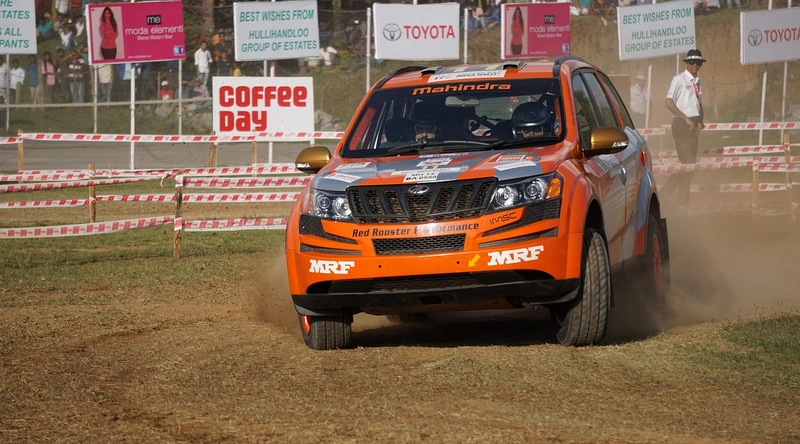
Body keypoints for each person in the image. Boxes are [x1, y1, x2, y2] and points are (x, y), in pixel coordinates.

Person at [663, 49, 706, 206]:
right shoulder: (679, 79)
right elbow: (668, 103)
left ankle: (680, 201)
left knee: (690, 165)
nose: (695, 65)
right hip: (681, 124)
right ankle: (667, 195)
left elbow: (698, 103)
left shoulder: (698, 82)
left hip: (693, 125)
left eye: (698, 63)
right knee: (687, 163)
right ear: (687, 63)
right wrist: (685, 119)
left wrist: (700, 121)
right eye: (692, 62)